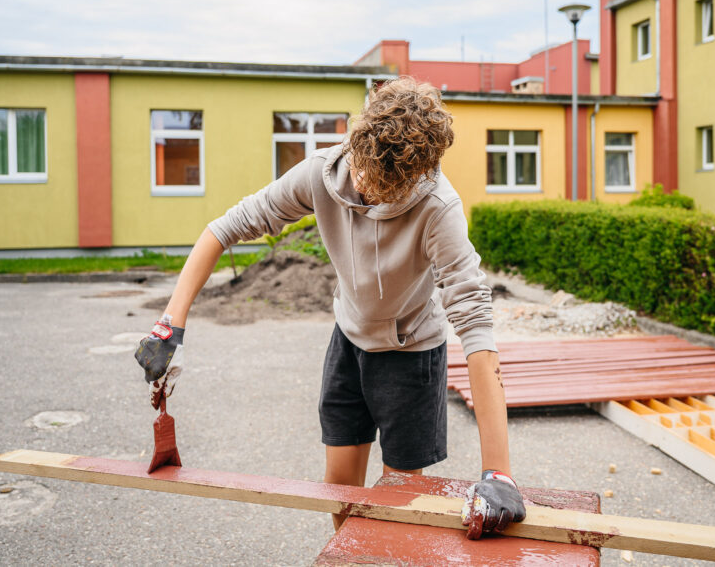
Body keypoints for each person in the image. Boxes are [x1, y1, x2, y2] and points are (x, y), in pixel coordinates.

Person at [135, 76, 525, 538]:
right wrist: (169, 325)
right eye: (363, 176)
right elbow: (224, 228)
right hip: (348, 342)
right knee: (339, 486)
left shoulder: (438, 207)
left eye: (384, 191)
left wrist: (498, 471)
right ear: (355, 143)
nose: (366, 193)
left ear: (417, 174)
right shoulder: (323, 172)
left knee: (400, 497)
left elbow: (476, 326)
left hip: (412, 353)